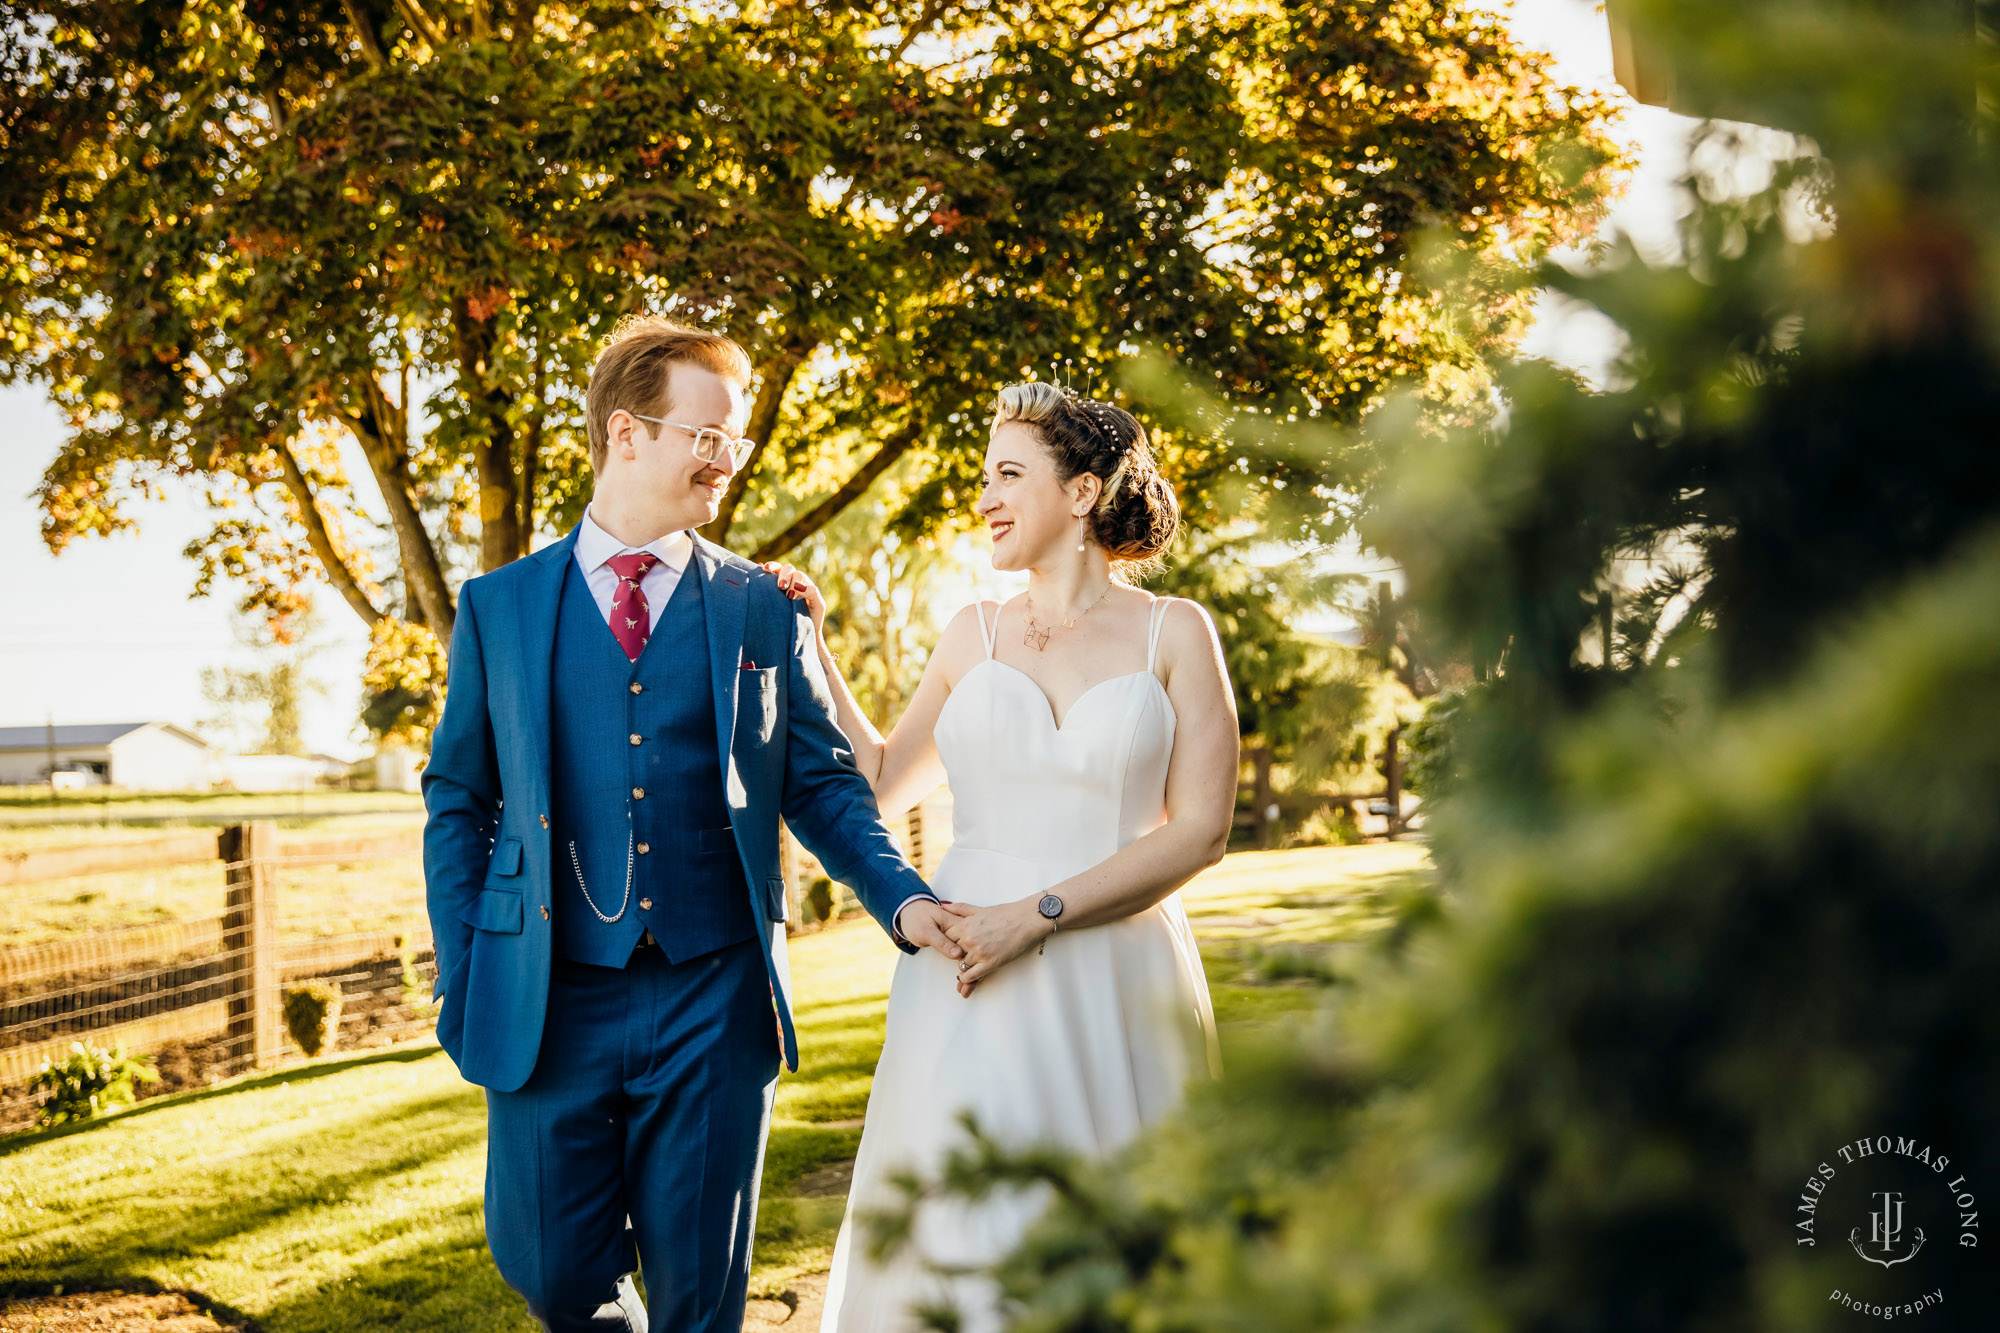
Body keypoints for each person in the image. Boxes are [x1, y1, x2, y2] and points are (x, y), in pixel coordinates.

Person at [421, 315, 964, 1333]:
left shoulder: (761, 606)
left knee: (700, 1300)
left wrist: (903, 898)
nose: (726, 460)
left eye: (735, 439)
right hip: (548, 999)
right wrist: (463, 968)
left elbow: (822, 787)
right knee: (547, 1267)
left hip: (713, 997)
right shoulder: (497, 606)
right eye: (705, 436)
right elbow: (458, 797)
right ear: (626, 433)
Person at [768, 381, 1240, 1333]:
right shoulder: (969, 631)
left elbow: (1201, 830)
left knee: (1113, 1212)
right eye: (984, 474)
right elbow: (884, 782)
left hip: (1114, 964)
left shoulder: (1174, 631)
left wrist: (1041, 912)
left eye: (1009, 474)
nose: (984, 495)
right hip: (963, 969)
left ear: (1081, 492)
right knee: (960, 1217)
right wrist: (815, 647)